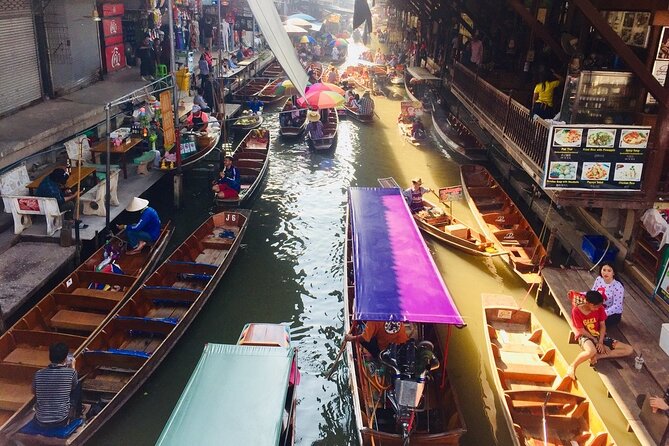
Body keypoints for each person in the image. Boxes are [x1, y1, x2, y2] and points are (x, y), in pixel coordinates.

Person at [567, 290, 633, 380]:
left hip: (598, 335)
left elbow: (602, 325)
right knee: (591, 351)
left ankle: (599, 356)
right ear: (587, 302)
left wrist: (601, 341)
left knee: (629, 349)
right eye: (595, 306)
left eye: (599, 306)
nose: (597, 308)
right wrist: (595, 340)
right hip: (585, 336)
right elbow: (581, 330)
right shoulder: (576, 311)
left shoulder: (600, 308)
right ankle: (573, 366)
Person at [33, 343, 82, 427]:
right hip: (61, 419)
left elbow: (33, 391)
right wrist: (73, 366)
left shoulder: (38, 373)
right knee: (78, 385)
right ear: (66, 358)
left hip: (40, 420)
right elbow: (73, 386)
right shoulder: (71, 372)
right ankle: (77, 413)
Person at [345, 321, 410, 358]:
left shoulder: (374, 319)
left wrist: (351, 338)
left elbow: (364, 338)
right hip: (405, 345)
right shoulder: (396, 311)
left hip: (385, 351)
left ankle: (374, 357)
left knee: (360, 334)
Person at [592, 261, 624, 328]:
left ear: (613, 273)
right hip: (597, 308)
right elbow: (592, 293)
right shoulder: (599, 279)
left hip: (611, 314)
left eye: (609, 271)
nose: (605, 273)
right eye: (604, 270)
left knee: (592, 323)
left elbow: (617, 306)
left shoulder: (618, 287)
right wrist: (579, 294)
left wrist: (602, 313)